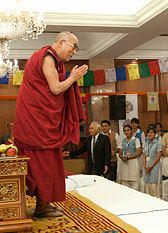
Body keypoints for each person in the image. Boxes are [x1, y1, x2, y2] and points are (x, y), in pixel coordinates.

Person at [12, 31, 88, 217]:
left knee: (49, 163)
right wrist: (73, 77)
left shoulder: (52, 59)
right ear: (61, 43)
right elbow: (55, 89)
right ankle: (42, 206)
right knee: (43, 164)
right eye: (73, 47)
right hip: (36, 124)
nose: (74, 52)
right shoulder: (47, 57)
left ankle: (44, 204)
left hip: (41, 122)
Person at [119, 125, 142, 190]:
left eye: (128, 130)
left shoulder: (136, 140)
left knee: (134, 180)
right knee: (125, 180)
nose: (127, 132)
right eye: (125, 131)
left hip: (133, 162)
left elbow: (138, 153)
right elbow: (120, 152)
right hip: (124, 162)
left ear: (131, 130)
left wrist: (128, 158)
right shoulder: (123, 140)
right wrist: (122, 157)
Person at [143, 127, 162, 197]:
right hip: (146, 167)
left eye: (151, 132)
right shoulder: (146, 144)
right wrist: (145, 166)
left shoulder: (158, 143)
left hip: (155, 167)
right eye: (148, 133)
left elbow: (158, 156)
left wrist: (151, 167)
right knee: (147, 187)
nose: (150, 134)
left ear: (155, 134)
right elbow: (144, 155)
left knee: (155, 188)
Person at [131, 118, 146, 192]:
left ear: (138, 124)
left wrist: (140, 152)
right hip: (131, 155)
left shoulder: (141, 132)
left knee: (139, 170)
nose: (134, 125)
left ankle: (140, 187)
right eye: (133, 123)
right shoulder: (129, 132)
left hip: (139, 154)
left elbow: (143, 143)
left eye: (135, 123)